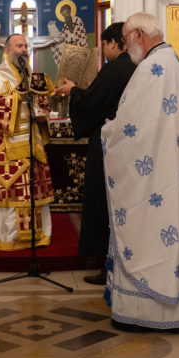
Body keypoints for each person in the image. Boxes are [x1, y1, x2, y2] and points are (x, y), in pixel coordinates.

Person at [101, 12, 179, 331]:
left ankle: (144, 313)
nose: (126, 47)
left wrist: (110, 132)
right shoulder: (171, 63)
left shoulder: (152, 68)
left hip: (154, 179)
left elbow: (134, 128)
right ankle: (172, 312)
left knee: (151, 234)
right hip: (167, 171)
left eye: (126, 40)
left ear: (139, 35)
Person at [52, 22, 136, 285]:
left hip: (108, 144)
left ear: (113, 43)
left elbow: (94, 104)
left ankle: (105, 266)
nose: (105, 53)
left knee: (103, 201)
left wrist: (73, 91)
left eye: (106, 47)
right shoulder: (133, 68)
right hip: (124, 144)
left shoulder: (116, 68)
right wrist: (85, 91)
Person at [0, 34, 54, 251]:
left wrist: (43, 114)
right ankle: (7, 237)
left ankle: (37, 235)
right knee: (11, 192)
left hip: (32, 143)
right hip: (7, 145)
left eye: (25, 46)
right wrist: (18, 98)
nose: (23, 49)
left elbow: (43, 104)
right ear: (7, 49)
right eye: (18, 45)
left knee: (32, 191)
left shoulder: (34, 76)